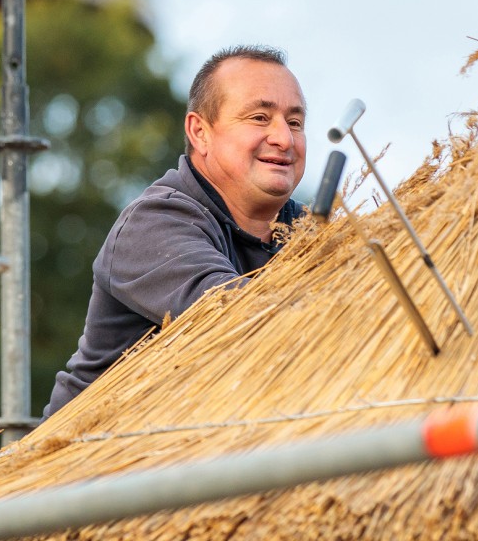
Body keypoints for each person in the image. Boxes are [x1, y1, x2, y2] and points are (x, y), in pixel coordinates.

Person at [43, 45, 307, 416]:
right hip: (102, 462)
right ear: (200, 132)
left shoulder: (305, 231)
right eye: (260, 118)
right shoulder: (154, 224)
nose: (284, 138)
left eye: (295, 123)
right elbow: (239, 315)